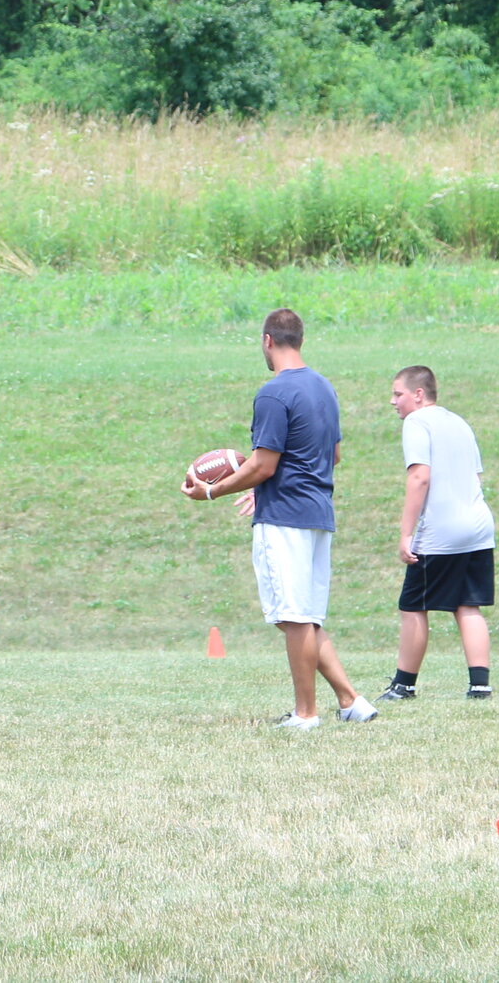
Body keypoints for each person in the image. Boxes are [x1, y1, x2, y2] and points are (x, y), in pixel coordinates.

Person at [184, 308, 375, 729]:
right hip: (318, 512)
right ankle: (351, 701)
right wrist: (263, 483)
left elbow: (263, 464)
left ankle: (306, 714)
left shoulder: (273, 393)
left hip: (285, 516)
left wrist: (212, 489)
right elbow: (333, 455)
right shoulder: (324, 388)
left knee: (292, 618)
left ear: (267, 341)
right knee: (303, 616)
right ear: (299, 340)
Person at [380, 366, 495, 701]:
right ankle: (480, 685)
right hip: (478, 525)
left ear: (419, 394)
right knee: (467, 605)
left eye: (398, 394)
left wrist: (406, 534)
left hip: (442, 529)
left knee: (413, 605)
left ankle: (404, 685)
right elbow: (474, 476)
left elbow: (420, 477)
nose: (393, 402)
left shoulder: (417, 422)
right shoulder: (458, 421)